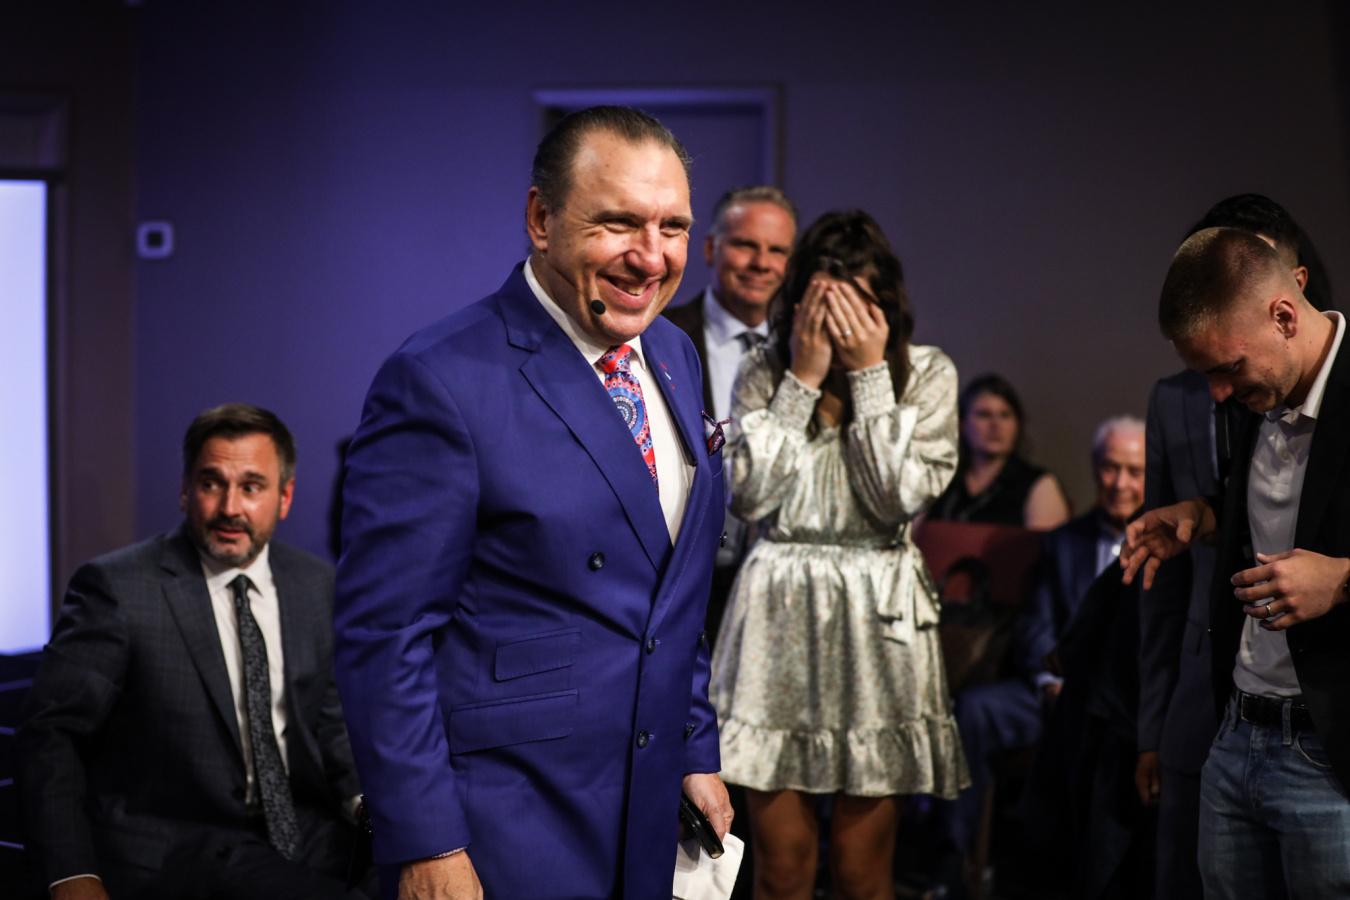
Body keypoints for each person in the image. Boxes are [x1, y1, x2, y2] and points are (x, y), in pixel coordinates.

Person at [333, 106, 732, 900]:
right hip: (505, 826)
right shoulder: (440, 378)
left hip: (646, 805)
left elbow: (670, 593)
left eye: (674, 227)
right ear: (541, 219)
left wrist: (692, 745)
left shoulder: (675, 354)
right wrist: (426, 840)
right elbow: (385, 634)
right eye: (618, 223)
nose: (651, 257)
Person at [709, 209, 968, 900]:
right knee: (782, 870)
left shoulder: (928, 373)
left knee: (860, 872)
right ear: (797, 302)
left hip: (877, 615)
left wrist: (870, 378)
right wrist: (802, 378)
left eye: (854, 305)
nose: (838, 321)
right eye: (823, 303)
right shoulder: (765, 370)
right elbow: (748, 497)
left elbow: (895, 499)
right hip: (779, 610)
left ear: (883, 304)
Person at [17, 404, 366, 900]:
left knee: (424, 873)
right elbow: (51, 735)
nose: (230, 507)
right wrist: (70, 874)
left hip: (302, 829)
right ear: (185, 490)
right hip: (179, 847)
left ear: (284, 497)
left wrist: (367, 807)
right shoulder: (118, 588)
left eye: (252, 487)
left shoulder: (315, 584)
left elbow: (330, 728)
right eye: (211, 483)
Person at [1123, 227, 1350, 898]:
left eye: (1227, 368)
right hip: (1235, 735)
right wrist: (1201, 516)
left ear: (1284, 316)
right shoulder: (1263, 390)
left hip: (1329, 754)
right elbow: (1288, 510)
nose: (1219, 393)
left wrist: (1342, 580)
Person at [934, 417, 1146, 897]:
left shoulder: (1166, 546)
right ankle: (955, 857)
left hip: (1123, 703)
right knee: (974, 710)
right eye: (1110, 468)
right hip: (1055, 689)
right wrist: (1049, 680)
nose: (1120, 483)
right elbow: (1036, 624)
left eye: (1134, 471)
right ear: (1094, 469)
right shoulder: (1063, 541)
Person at [663, 185, 798, 642]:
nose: (762, 263)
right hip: (683, 580)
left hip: (781, 585)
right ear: (709, 248)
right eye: (745, 244)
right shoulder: (659, 335)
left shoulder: (806, 351)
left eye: (777, 251)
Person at [927, 374, 1071, 529]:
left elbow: (1044, 542)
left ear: (1017, 425)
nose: (995, 425)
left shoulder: (1038, 484)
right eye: (984, 415)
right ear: (963, 424)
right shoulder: (941, 481)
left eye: (1005, 415)